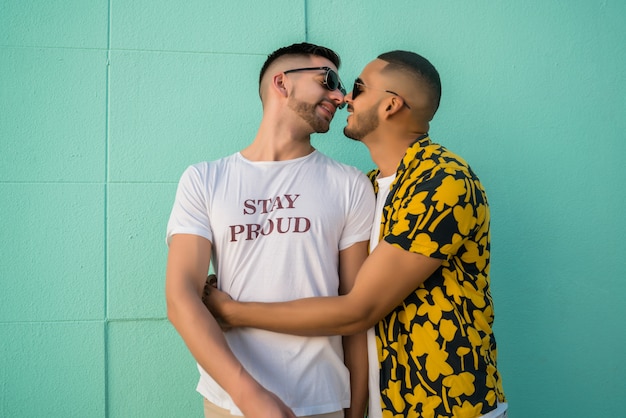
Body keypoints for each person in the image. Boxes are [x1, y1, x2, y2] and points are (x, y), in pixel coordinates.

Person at [205, 50, 508, 418]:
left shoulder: (442, 181)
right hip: (390, 406)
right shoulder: (370, 187)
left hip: (445, 406)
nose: (345, 97)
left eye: (359, 89)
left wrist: (233, 312)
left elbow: (357, 310)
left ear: (391, 105)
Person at [165, 42, 375, 418]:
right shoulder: (205, 179)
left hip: (323, 401)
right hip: (229, 402)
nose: (340, 96)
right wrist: (250, 397)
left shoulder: (350, 184)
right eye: (328, 80)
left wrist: (355, 411)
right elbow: (182, 297)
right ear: (281, 83)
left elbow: (355, 316)